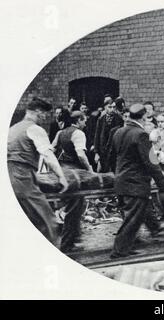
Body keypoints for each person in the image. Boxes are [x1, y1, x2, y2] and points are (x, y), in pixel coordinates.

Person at [109, 104, 164, 258]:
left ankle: (126, 247)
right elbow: (151, 162)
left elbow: (111, 156)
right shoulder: (141, 134)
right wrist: (163, 186)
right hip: (136, 184)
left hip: (121, 180)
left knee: (134, 217)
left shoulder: (118, 132)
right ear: (144, 117)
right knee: (132, 220)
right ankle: (119, 251)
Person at [8, 97, 68, 247]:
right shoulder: (35, 129)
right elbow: (48, 155)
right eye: (45, 114)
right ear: (38, 112)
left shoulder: (13, 128)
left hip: (11, 177)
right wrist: (61, 177)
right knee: (48, 223)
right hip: (22, 178)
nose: (45, 118)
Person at [52, 111, 93, 252]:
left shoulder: (61, 132)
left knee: (75, 207)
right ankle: (68, 244)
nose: (85, 123)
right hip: (75, 175)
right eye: (84, 120)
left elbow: (52, 149)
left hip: (64, 172)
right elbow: (81, 154)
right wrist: (90, 169)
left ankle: (75, 239)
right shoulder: (79, 133)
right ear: (79, 120)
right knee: (74, 209)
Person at [94, 98, 123, 172]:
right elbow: (97, 136)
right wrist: (96, 152)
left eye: (114, 107)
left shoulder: (119, 119)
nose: (112, 109)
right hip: (103, 151)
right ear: (105, 108)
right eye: (110, 107)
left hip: (114, 151)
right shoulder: (101, 119)